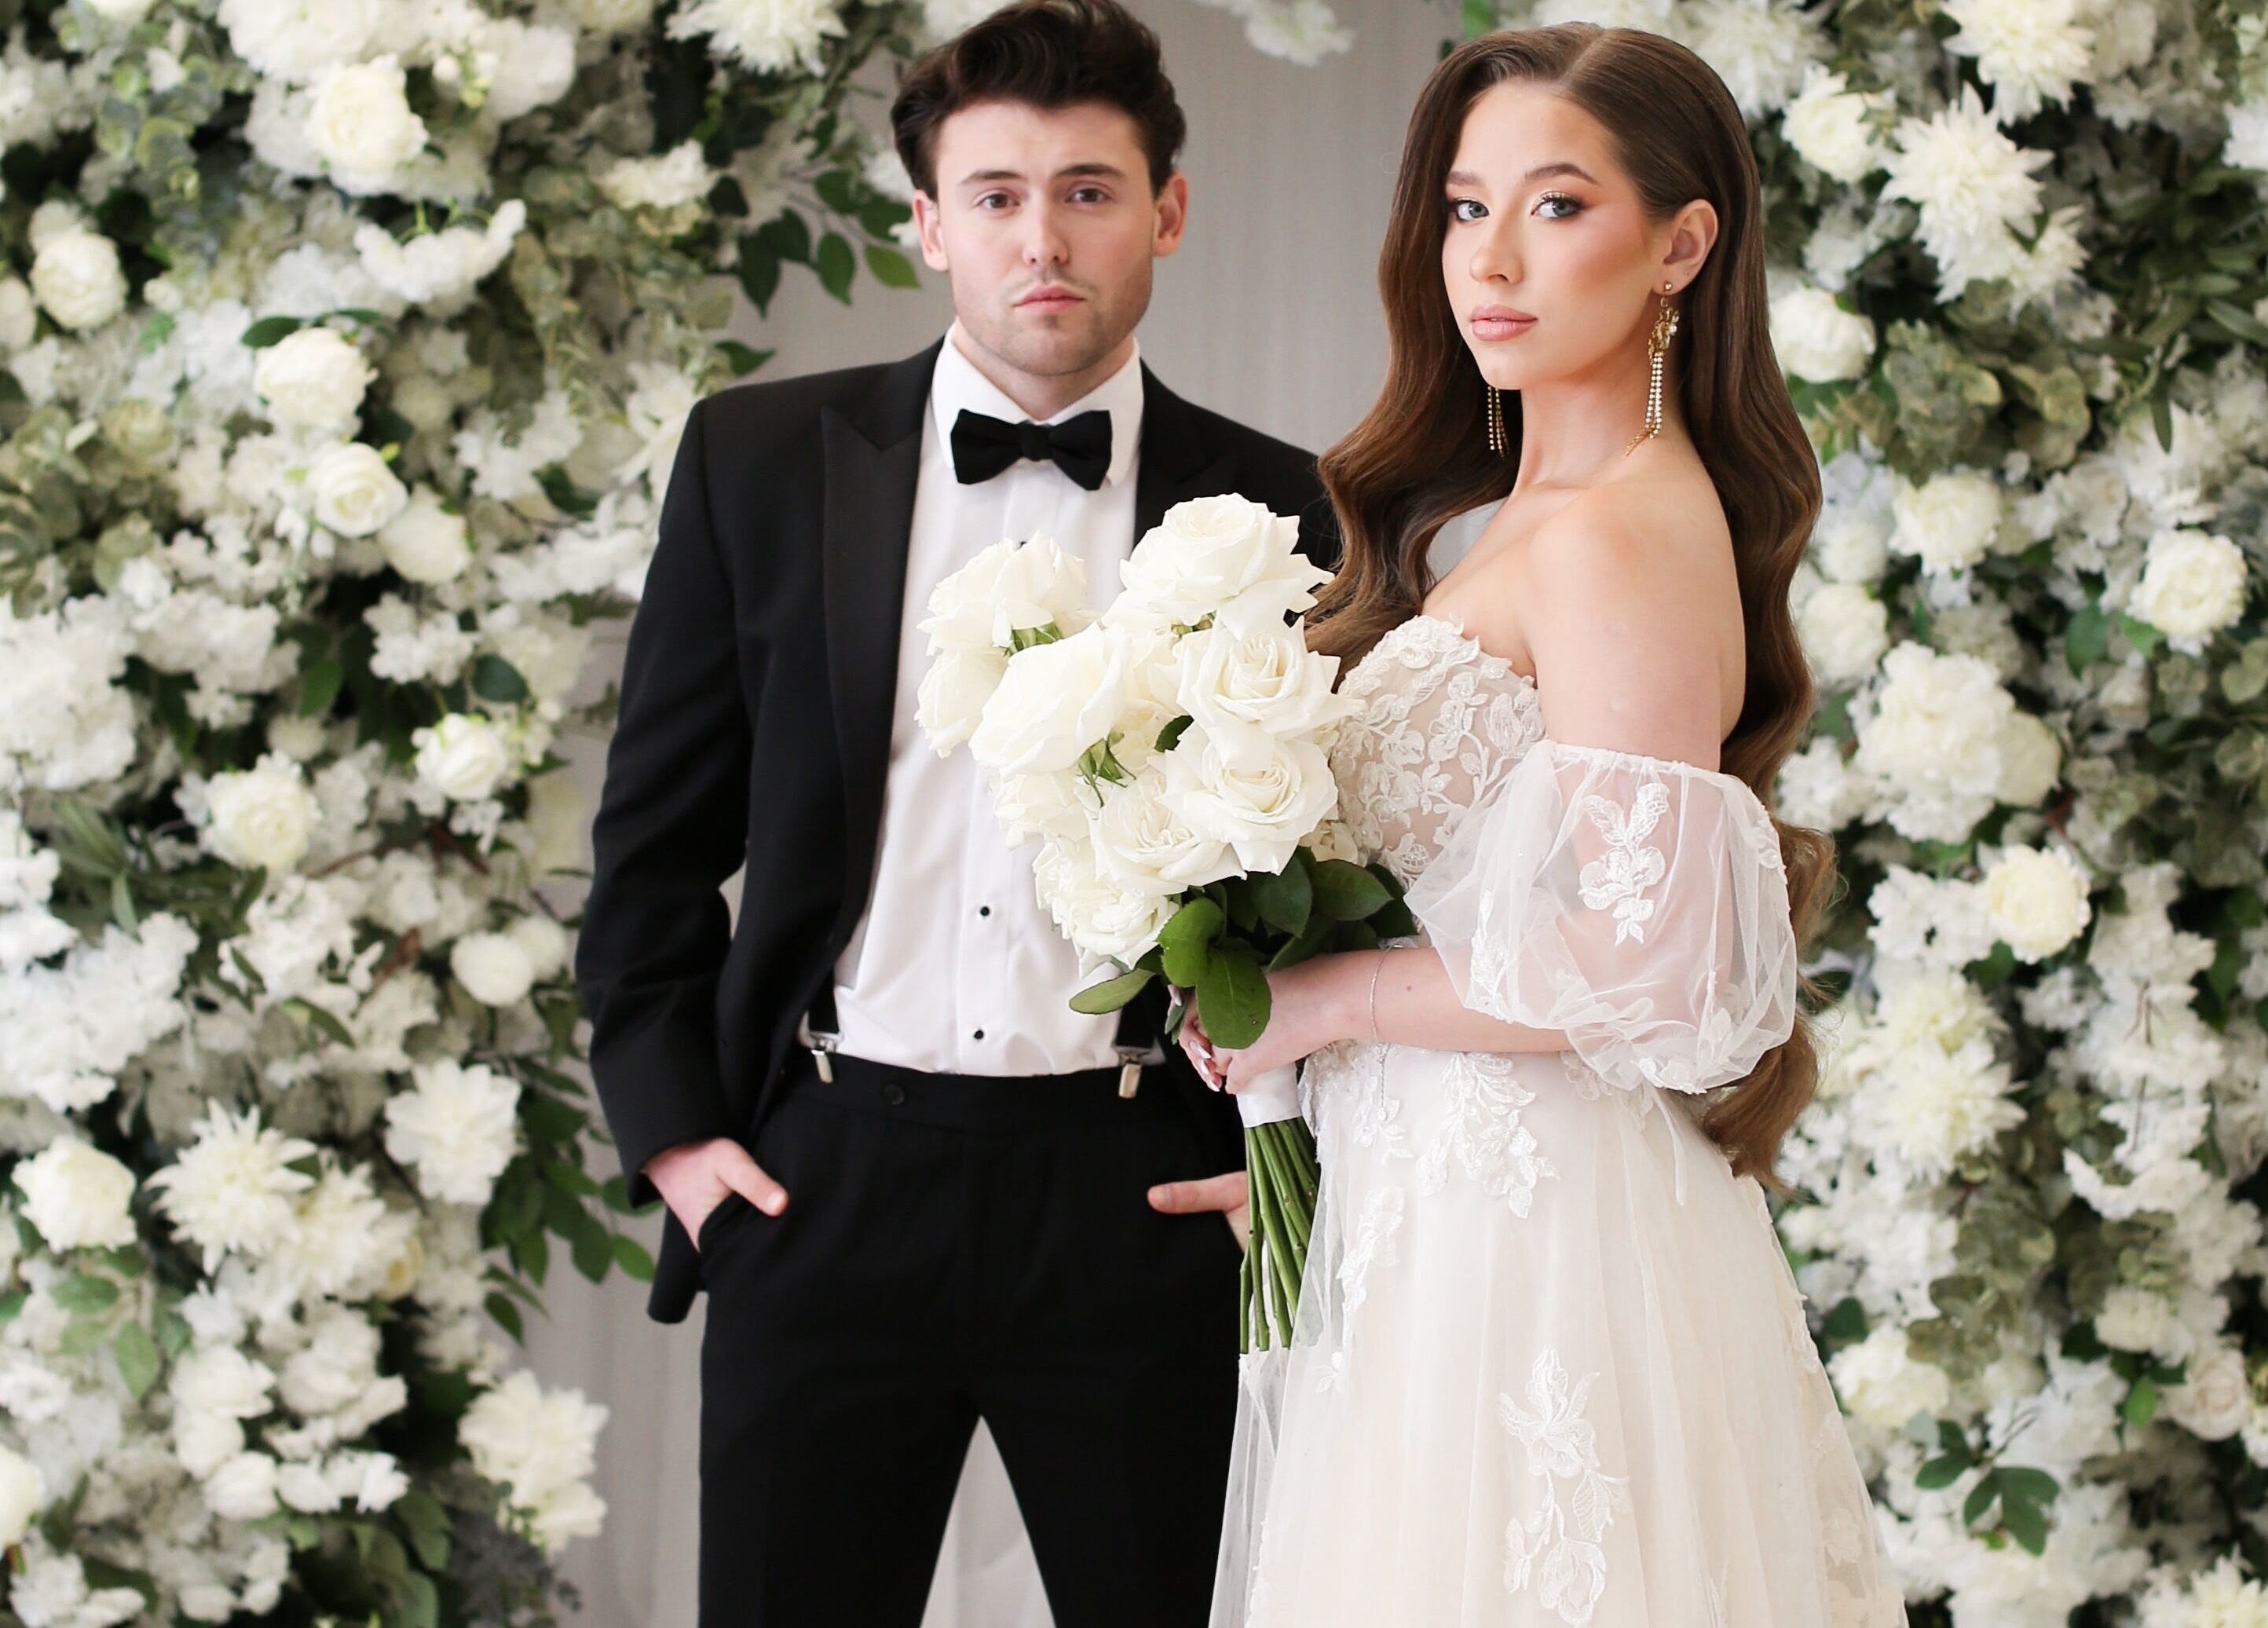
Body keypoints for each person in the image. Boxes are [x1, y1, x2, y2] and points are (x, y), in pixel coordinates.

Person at [572, 1, 1337, 1623]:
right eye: (992, 195)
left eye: (1087, 188)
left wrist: (1275, 1173)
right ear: (925, 223)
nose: (1039, 238)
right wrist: (685, 1144)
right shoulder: (760, 461)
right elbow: (650, 846)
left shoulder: (1281, 505)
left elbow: (1339, 876)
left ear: (1168, 211)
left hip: (1138, 1194)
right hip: (826, 1176)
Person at [1181, 23, 1909, 1627]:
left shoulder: (1620, 535)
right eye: (1462, 206)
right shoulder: (1514, 524)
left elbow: (1651, 967)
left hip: (1534, 1245)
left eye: (1556, 206)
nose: (1489, 258)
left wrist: (1325, 999)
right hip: (1426, 1206)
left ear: (1681, 242)